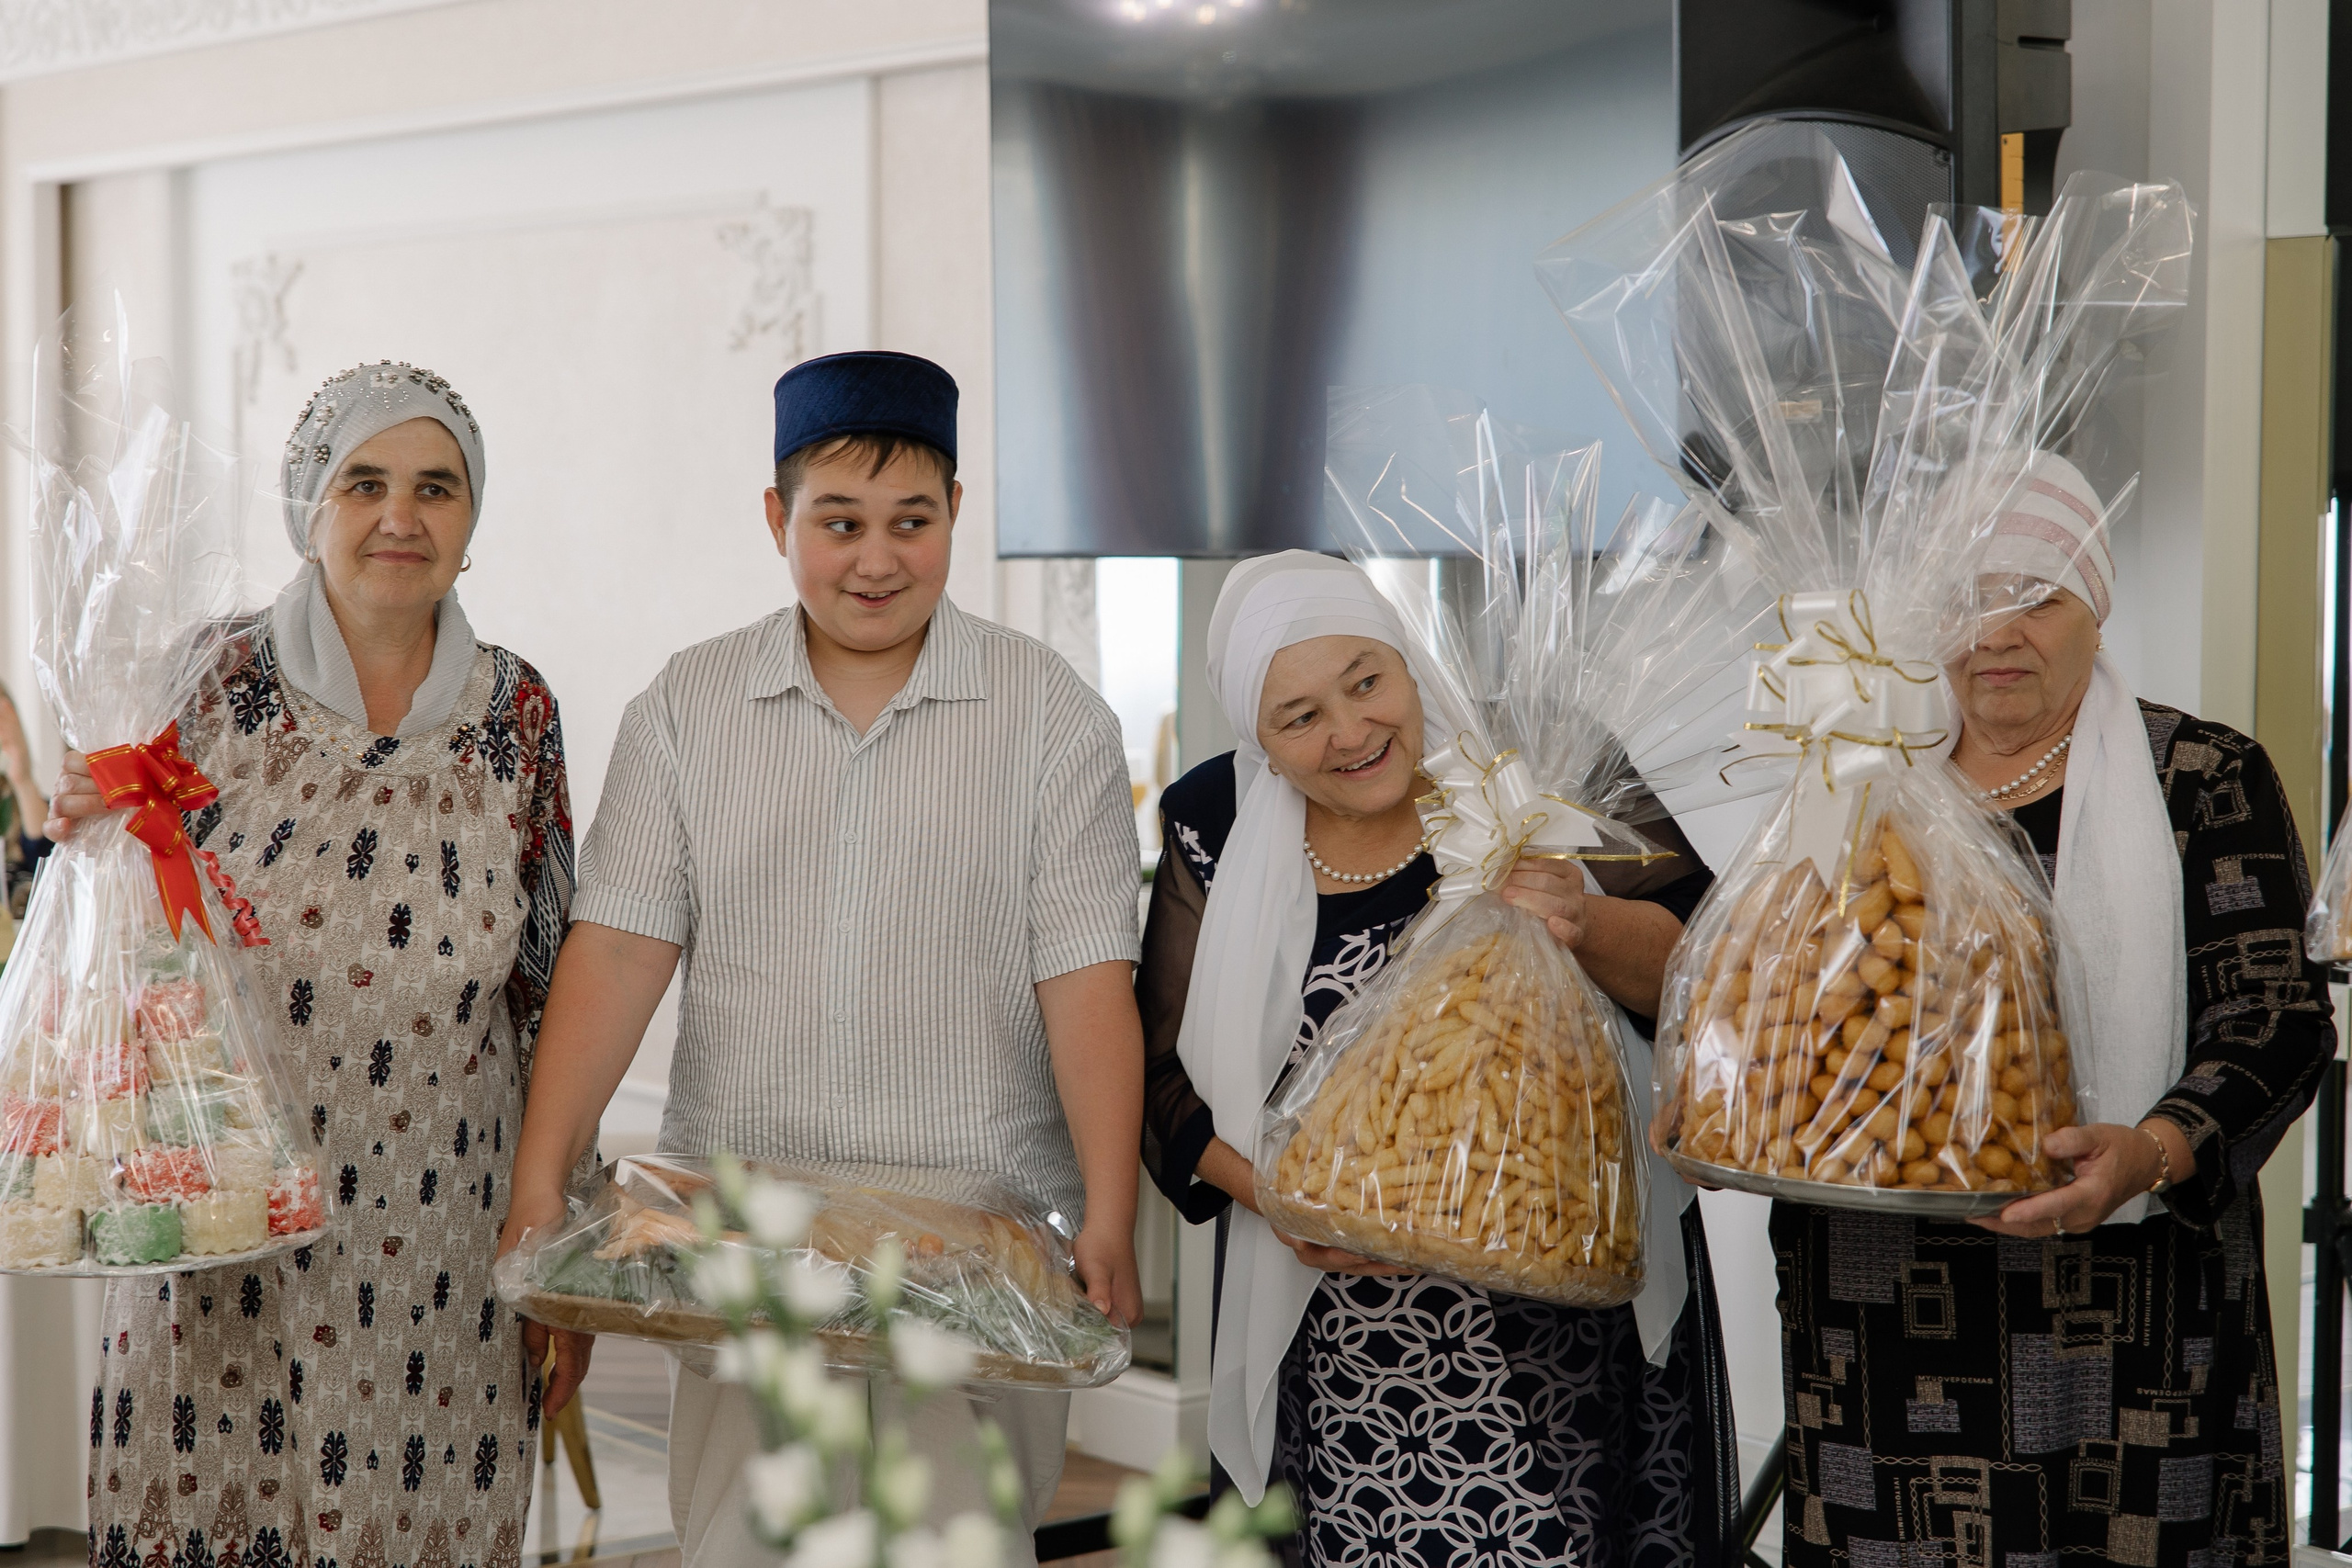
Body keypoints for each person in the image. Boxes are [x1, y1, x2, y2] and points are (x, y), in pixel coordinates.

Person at [496, 350, 1146, 1568]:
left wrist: (1108, 1206)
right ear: (776, 518)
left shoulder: (1049, 711)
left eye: (914, 520)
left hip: (976, 1249)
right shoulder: (689, 704)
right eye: (838, 521)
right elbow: (618, 952)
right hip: (742, 1248)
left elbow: (1086, 975)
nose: (877, 557)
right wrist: (545, 1173)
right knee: (746, 1539)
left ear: (957, 509)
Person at [46, 364, 573, 1568]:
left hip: (447, 1248)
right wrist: (88, 815)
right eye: (365, 482)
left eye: (437, 487)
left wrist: (555, 1242)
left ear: (471, 521)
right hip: (227, 1223)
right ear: (307, 507)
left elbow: (547, 979)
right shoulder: (209, 675)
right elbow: (128, 914)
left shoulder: (521, 714)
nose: (403, 516)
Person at [1770, 454, 2335, 1563]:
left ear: (2097, 606)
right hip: (1883, 1321)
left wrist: (2156, 1147)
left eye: (2036, 596)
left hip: (2130, 1324)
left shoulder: (2201, 777)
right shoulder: (1857, 786)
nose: (1995, 634)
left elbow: (2277, 1016)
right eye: (1964, 599)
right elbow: (1781, 1011)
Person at [1136, 550, 1740, 1568]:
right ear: (1260, 740)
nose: (1350, 731)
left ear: (1409, 663)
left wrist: (1583, 920)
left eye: (1366, 681)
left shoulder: (1530, 775)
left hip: (1559, 1321)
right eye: (1299, 716)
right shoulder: (1215, 822)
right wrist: (1279, 1199)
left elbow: (1711, 969)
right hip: (1335, 1334)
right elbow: (1158, 1080)